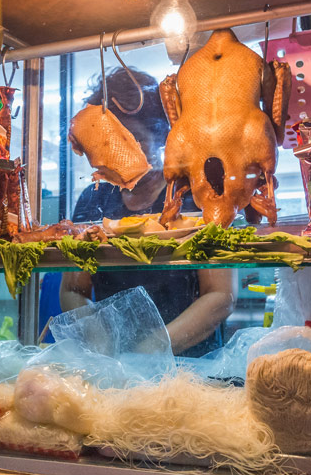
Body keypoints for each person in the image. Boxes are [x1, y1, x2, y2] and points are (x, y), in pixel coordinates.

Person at [59, 67, 237, 357]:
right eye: (109, 145)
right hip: (116, 364)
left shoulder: (196, 196)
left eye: (136, 140)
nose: (121, 154)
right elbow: (73, 290)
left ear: (162, 136)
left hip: (192, 367)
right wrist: (101, 341)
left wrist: (153, 348)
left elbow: (220, 295)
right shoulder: (92, 200)